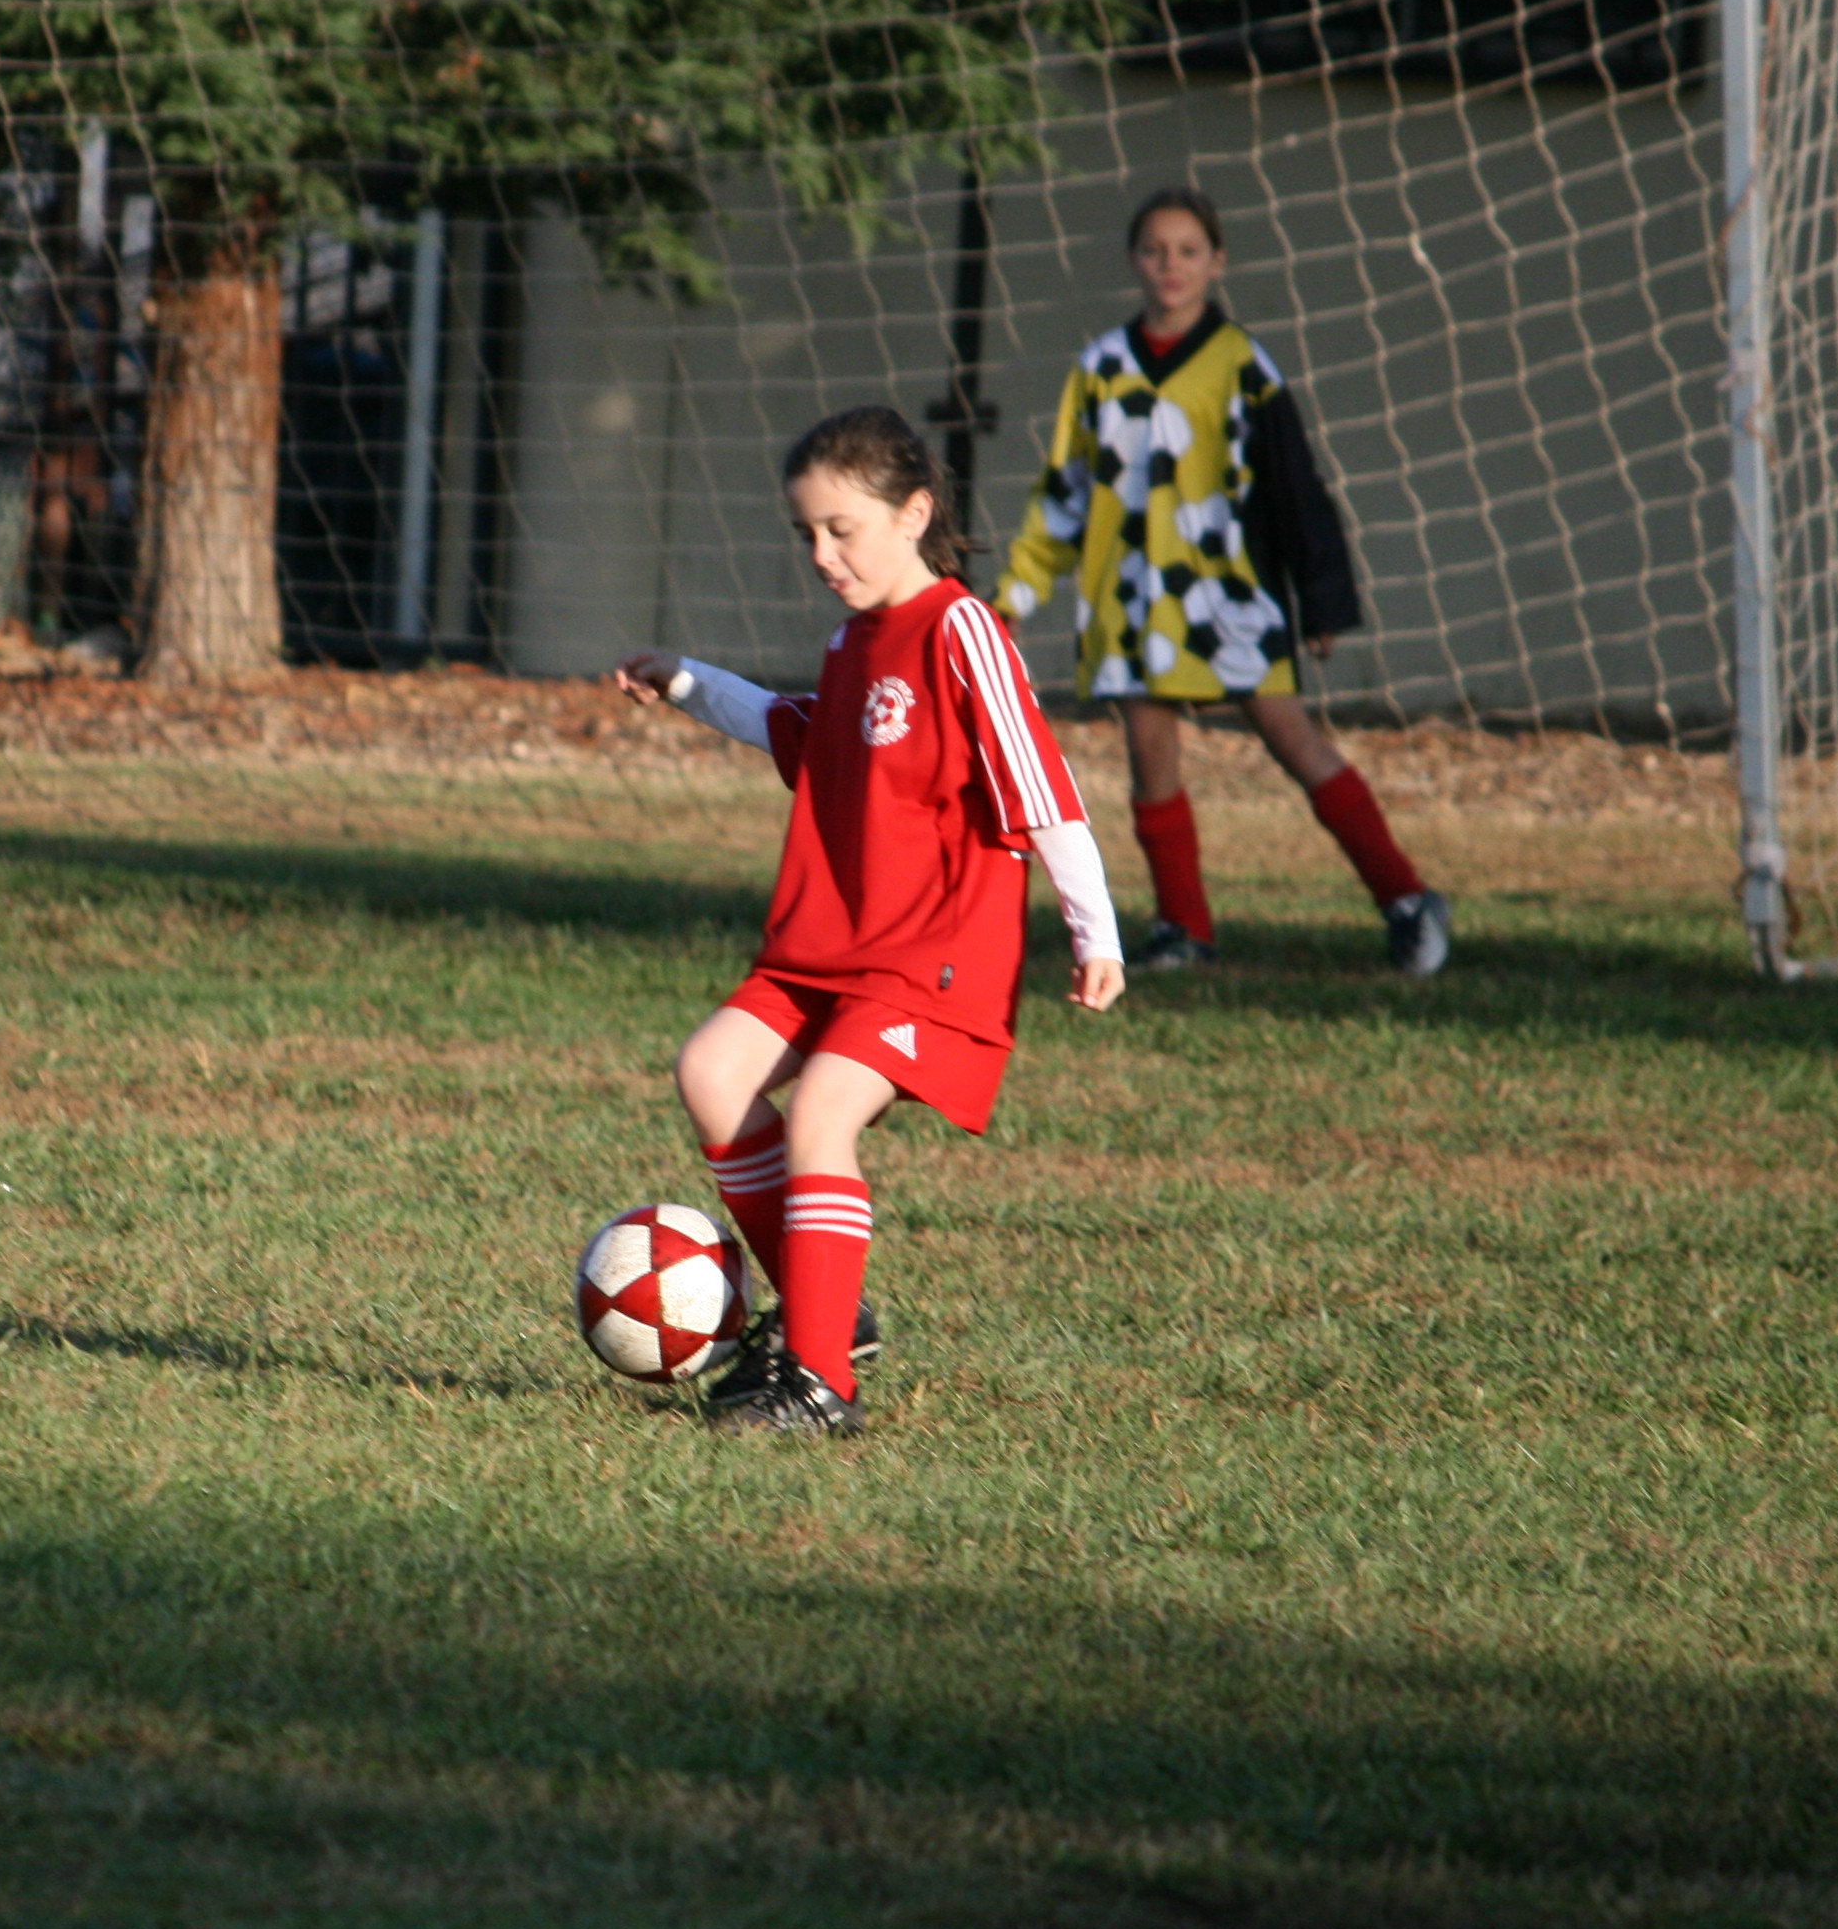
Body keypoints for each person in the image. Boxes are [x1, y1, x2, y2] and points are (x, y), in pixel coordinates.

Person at [613, 407, 1126, 1436]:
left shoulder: (960, 629)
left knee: (820, 1115)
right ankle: (824, 1314)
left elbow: (1039, 784)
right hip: (831, 946)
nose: (821, 553)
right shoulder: (854, 641)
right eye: (806, 532)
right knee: (712, 1072)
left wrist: (1096, 931)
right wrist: (686, 681)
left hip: (931, 960)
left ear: (914, 514)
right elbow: (793, 728)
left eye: (841, 529)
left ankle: (819, 1382)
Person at [998, 184, 1451, 976]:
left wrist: (1322, 598)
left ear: (1217, 262)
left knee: (1292, 739)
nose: (1169, 265)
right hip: (1131, 602)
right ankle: (1183, 927)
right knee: (1150, 753)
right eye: (1154, 250)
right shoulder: (1101, 368)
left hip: (1231, 597)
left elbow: (1295, 486)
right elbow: (1065, 492)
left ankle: (1406, 898)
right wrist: (1016, 595)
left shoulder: (1244, 366)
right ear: (1133, 261)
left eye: (1187, 250)